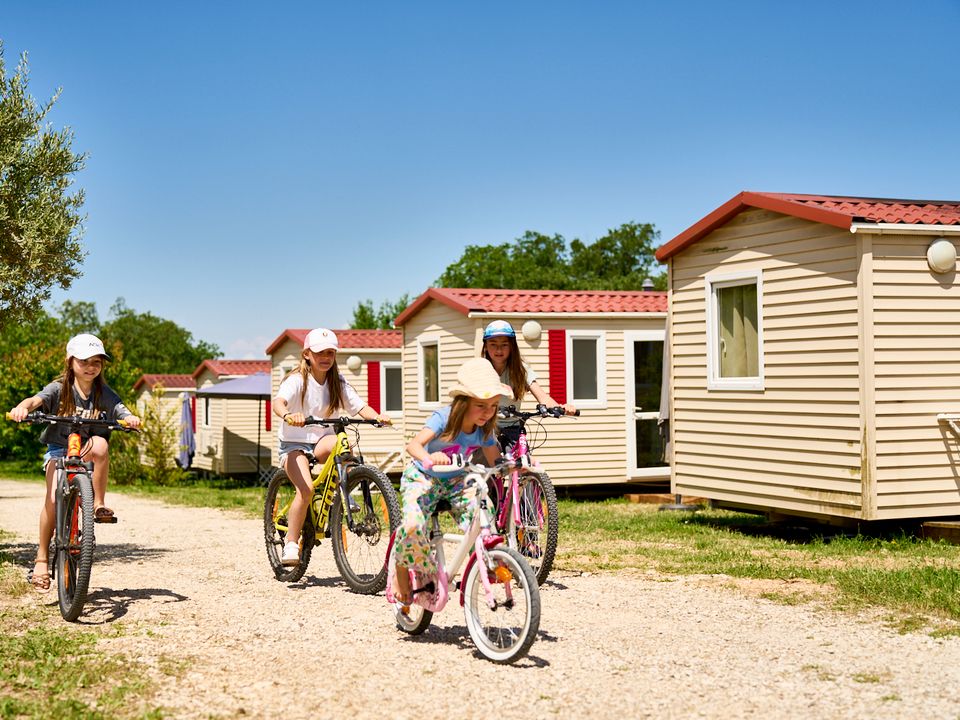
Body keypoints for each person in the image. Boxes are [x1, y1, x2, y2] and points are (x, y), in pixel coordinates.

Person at [8, 333, 141, 592]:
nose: (91, 367)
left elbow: (121, 410)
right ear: (70, 362)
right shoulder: (59, 388)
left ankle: (98, 505)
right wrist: (22, 408)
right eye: (84, 361)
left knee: (102, 445)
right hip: (59, 450)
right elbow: (35, 401)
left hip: (86, 450)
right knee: (53, 499)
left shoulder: (103, 392)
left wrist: (131, 418)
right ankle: (42, 559)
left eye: (97, 362)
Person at [391, 357, 511, 605]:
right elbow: (413, 444)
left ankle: (486, 559)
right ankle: (402, 569)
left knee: (483, 509)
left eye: (493, 406)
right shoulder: (443, 418)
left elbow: (494, 459)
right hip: (423, 477)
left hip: (456, 481)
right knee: (413, 525)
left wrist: (508, 466)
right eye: (481, 405)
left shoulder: (484, 428)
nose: (488, 413)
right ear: (463, 402)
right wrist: (428, 457)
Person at [272, 328, 390, 566]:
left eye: (330, 353)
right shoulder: (296, 380)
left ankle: (345, 491)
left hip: (320, 441)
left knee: (342, 442)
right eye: (320, 353)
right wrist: (287, 415)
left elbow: (358, 406)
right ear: (307, 354)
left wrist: (376, 417)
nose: (326, 357)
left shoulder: (337, 381)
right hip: (294, 443)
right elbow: (278, 402)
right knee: (304, 490)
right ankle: (291, 544)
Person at [480, 319, 576, 448]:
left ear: (512, 346)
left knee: (523, 462)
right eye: (493, 344)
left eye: (504, 344)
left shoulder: (520, 369)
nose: (499, 349)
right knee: (483, 465)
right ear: (485, 346)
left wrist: (560, 408)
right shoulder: (480, 369)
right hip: (485, 427)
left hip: (513, 427)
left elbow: (542, 396)